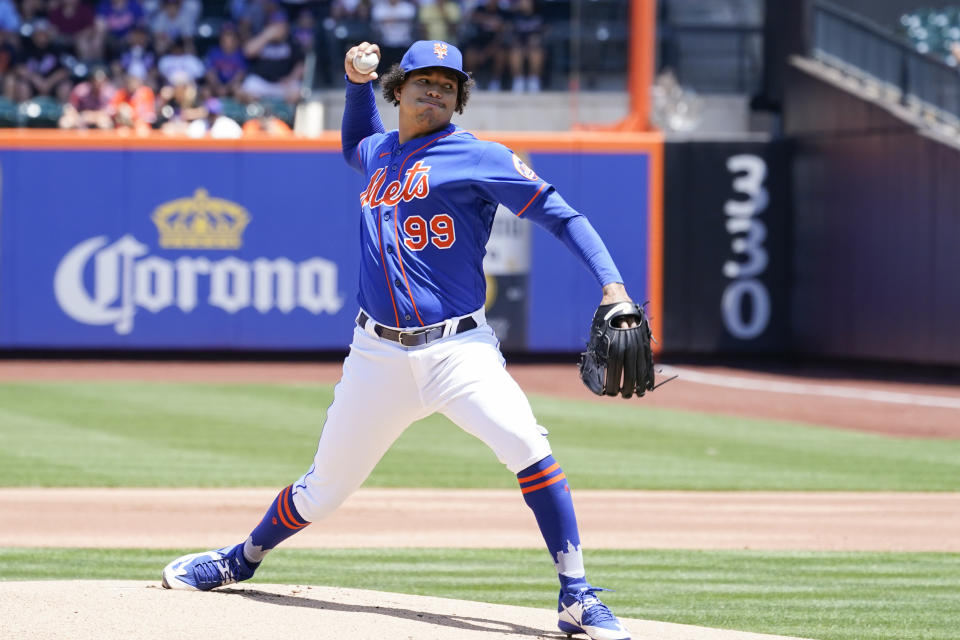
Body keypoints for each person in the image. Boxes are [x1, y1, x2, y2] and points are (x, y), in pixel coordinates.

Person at [159, 39, 635, 640]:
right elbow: (354, 142)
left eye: (447, 84)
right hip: (376, 355)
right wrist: (356, 83)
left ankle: (576, 595)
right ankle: (240, 560)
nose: (434, 90)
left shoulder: (480, 156)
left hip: (459, 350)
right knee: (325, 488)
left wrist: (613, 287)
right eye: (423, 80)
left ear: (458, 98)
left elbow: (563, 215)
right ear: (400, 88)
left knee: (528, 446)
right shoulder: (381, 150)